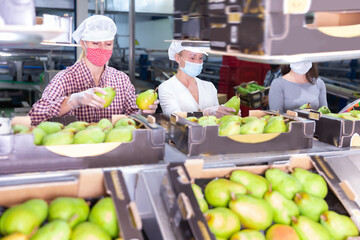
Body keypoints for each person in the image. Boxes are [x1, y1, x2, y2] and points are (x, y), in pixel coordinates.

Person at [29, 15, 158, 126]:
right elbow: (35, 117)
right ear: (83, 43)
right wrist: (73, 101)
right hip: (77, 148)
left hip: (114, 149)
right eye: (95, 43)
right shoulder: (65, 78)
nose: (102, 49)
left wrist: (144, 110)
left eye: (108, 44)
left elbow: (133, 116)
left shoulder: (121, 79)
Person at [159, 42, 237, 118]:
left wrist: (228, 113)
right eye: (192, 58)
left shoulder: (209, 87)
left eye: (200, 58)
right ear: (178, 58)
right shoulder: (166, 88)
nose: (197, 62)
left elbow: (217, 119)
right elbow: (174, 118)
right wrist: (204, 113)